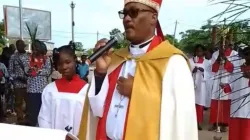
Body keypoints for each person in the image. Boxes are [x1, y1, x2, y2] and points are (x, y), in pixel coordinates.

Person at [78, 0, 198, 140]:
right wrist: (100, 75)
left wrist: (137, 91)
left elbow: (179, 118)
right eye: (125, 13)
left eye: (134, 12)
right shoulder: (115, 59)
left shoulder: (173, 62)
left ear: (153, 17)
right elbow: (97, 110)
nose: (127, 18)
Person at [38, 45, 89, 136]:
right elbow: (44, 118)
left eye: (68, 62)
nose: (64, 67)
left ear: (75, 60)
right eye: (60, 64)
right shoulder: (50, 90)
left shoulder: (87, 90)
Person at [209, 36, 239, 132]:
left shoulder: (235, 54)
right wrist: (218, 59)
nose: (223, 45)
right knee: (216, 101)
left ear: (229, 44)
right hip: (217, 79)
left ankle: (225, 124)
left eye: (225, 43)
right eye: (221, 43)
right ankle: (215, 123)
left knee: (227, 101)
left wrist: (225, 60)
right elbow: (213, 69)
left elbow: (234, 69)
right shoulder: (215, 54)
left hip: (229, 79)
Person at [25, 40, 51, 126]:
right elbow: (26, 71)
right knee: (33, 112)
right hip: (32, 90)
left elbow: (48, 71)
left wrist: (37, 71)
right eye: (34, 48)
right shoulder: (28, 58)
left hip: (43, 90)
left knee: (42, 111)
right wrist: (32, 71)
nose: (35, 50)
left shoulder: (46, 59)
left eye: (37, 48)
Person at [228, 47, 250, 140]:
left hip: (248, 104)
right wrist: (226, 86)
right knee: (235, 129)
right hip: (236, 103)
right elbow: (231, 82)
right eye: (246, 54)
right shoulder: (237, 68)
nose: (248, 56)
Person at [8, 40, 29, 125]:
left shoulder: (29, 56)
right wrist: (16, 78)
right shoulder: (13, 57)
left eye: (21, 45)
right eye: (18, 45)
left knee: (29, 102)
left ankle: (28, 118)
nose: (19, 46)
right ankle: (20, 120)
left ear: (24, 46)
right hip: (18, 84)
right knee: (18, 103)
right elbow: (10, 70)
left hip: (28, 83)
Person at [189, 44, 209, 130]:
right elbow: (185, 71)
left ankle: (198, 123)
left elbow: (210, 75)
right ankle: (190, 122)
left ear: (203, 52)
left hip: (201, 86)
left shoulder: (207, 62)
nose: (198, 52)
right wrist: (192, 71)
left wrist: (203, 71)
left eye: (200, 51)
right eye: (197, 51)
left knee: (199, 105)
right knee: (191, 104)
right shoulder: (190, 61)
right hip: (191, 85)